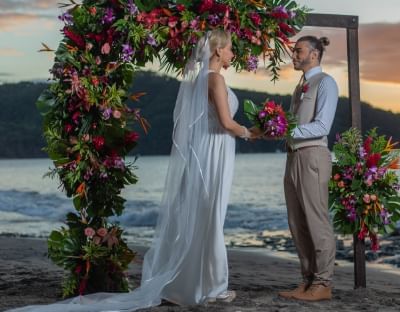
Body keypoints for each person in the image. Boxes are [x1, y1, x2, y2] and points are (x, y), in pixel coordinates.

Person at [8, 29, 258, 312]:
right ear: (217, 51)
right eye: (229, 49)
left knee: (200, 212)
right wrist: (253, 132)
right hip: (214, 151)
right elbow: (226, 123)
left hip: (205, 151)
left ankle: (192, 283)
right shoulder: (215, 79)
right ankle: (212, 286)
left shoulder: (196, 82)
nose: (232, 54)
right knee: (211, 214)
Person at [278, 36, 339, 301]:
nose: (293, 54)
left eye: (298, 50)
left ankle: (323, 283)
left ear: (314, 54)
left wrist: (287, 129)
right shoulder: (300, 86)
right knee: (297, 222)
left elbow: (322, 126)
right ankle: (307, 281)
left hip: (313, 155)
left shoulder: (326, 83)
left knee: (316, 220)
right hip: (293, 156)